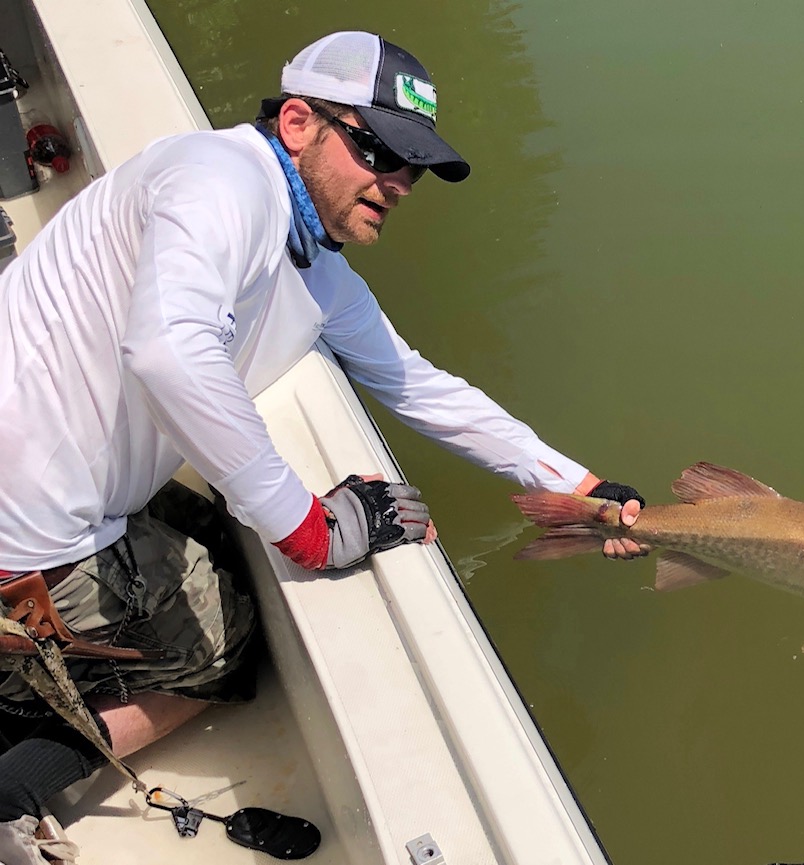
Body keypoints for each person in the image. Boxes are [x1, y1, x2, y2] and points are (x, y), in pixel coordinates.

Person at [0, 30, 645, 861]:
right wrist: (309, 525)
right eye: (379, 150)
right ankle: (15, 786)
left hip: (35, 480)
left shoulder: (312, 264)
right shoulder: (221, 181)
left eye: (413, 168)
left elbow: (421, 386)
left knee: (209, 540)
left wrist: (587, 486)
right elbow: (168, 349)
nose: (399, 183)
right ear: (298, 121)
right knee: (226, 646)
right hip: (24, 538)